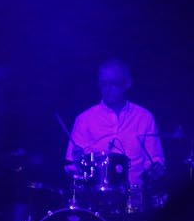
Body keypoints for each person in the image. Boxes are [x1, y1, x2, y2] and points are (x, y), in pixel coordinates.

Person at [65, 60, 165, 188]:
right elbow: (71, 166)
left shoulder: (144, 118)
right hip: (96, 193)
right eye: (104, 84)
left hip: (135, 193)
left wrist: (155, 169)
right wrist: (77, 164)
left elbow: (155, 160)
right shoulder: (84, 120)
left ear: (127, 84)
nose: (108, 89)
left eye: (114, 84)